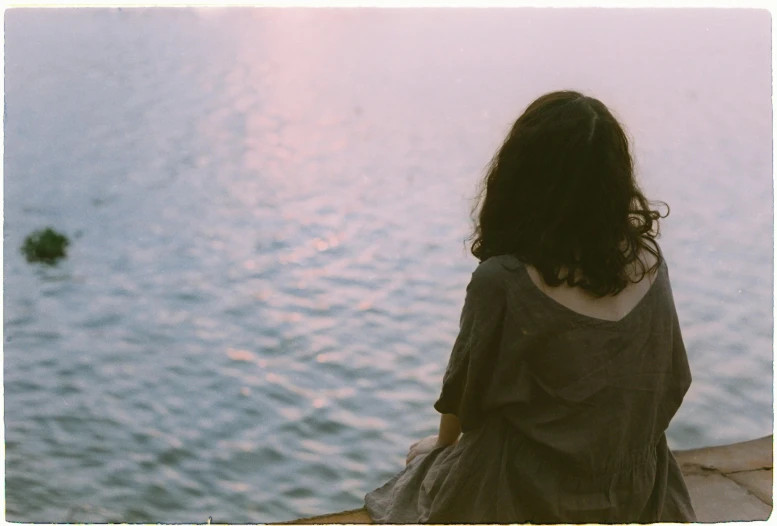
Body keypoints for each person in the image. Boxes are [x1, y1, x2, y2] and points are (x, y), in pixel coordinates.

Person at [363, 90, 696, 524]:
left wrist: (442, 447)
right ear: (615, 180)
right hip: (632, 483)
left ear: (520, 176)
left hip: (531, 489)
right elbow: (672, 378)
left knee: (414, 484)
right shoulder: (648, 263)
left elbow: (466, 392)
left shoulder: (504, 279)